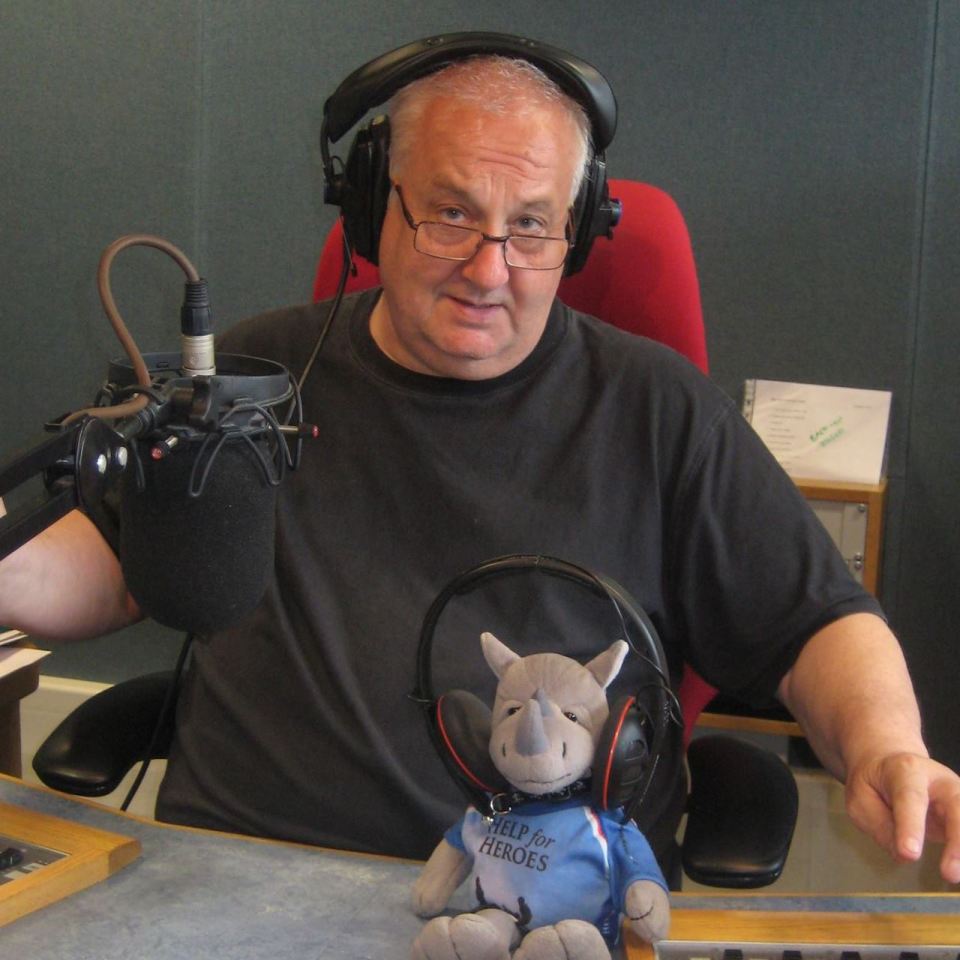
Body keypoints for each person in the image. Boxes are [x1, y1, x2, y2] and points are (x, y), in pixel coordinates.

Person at [2, 41, 959, 887]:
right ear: (374, 206)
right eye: (451, 214)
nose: (490, 268)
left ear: (577, 232)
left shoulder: (660, 411)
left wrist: (886, 746)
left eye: (531, 225)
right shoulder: (258, 379)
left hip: (541, 911)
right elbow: (114, 565)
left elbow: (814, 622)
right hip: (236, 885)